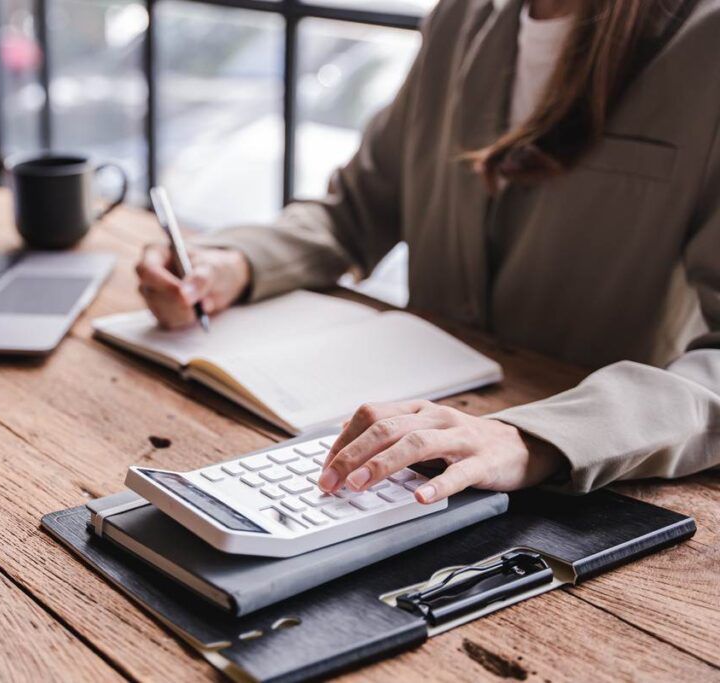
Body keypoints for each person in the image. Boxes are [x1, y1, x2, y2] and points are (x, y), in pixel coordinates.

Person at [135, 0, 720, 502]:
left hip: (588, 488)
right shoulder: (461, 19)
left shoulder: (705, 41)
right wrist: (233, 264)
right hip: (400, 448)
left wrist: (532, 436)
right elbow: (356, 207)